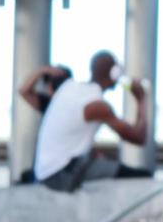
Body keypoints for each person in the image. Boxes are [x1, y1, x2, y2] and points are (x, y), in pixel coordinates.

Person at [33, 51, 153, 192]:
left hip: (45, 172)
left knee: (106, 164)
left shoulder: (68, 87)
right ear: (114, 73)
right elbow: (138, 138)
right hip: (60, 175)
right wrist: (141, 100)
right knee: (142, 177)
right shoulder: (97, 105)